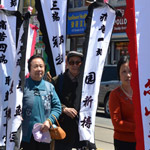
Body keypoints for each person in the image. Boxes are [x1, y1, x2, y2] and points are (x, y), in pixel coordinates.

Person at [20, 55, 61, 150]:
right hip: (26, 136)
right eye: (35, 66)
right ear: (29, 69)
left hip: (45, 134)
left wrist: (49, 121)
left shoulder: (49, 87)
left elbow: (57, 107)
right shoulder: (22, 86)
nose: (39, 69)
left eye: (41, 66)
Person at [52, 51, 84, 150]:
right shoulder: (57, 81)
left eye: (77, 62)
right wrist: (63, 109)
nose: (75, 65)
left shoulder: (86, 82)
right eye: (71, 62)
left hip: (81, 130)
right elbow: (49, 101)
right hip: (62, 129)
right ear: (67, 64)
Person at [109, 56, 136, 150]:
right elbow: (117, 122)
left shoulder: (142, 93)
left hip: (142, 140)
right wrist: (138, 127)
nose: (128, 75)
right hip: (123, 143)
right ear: (119, 74)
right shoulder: (115, 94)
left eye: (130, 71)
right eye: (124, 72)